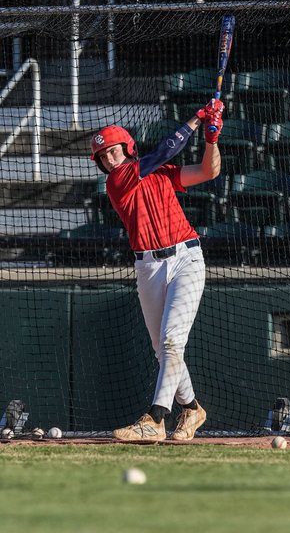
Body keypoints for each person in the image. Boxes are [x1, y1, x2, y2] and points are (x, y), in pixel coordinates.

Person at [89, 99, 224, 442]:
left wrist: (211, 139)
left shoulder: (159, 173)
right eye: (103, 157)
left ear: (128, 148)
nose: (109, 159)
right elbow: (165, 150)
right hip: (148, 265)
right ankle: (192, 409)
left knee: (171, 340)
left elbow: (208, 172)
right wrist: (196, 119)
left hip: (186, 259)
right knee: (160, 347)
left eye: (114, 152)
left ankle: (155, 419)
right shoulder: (118, 181)